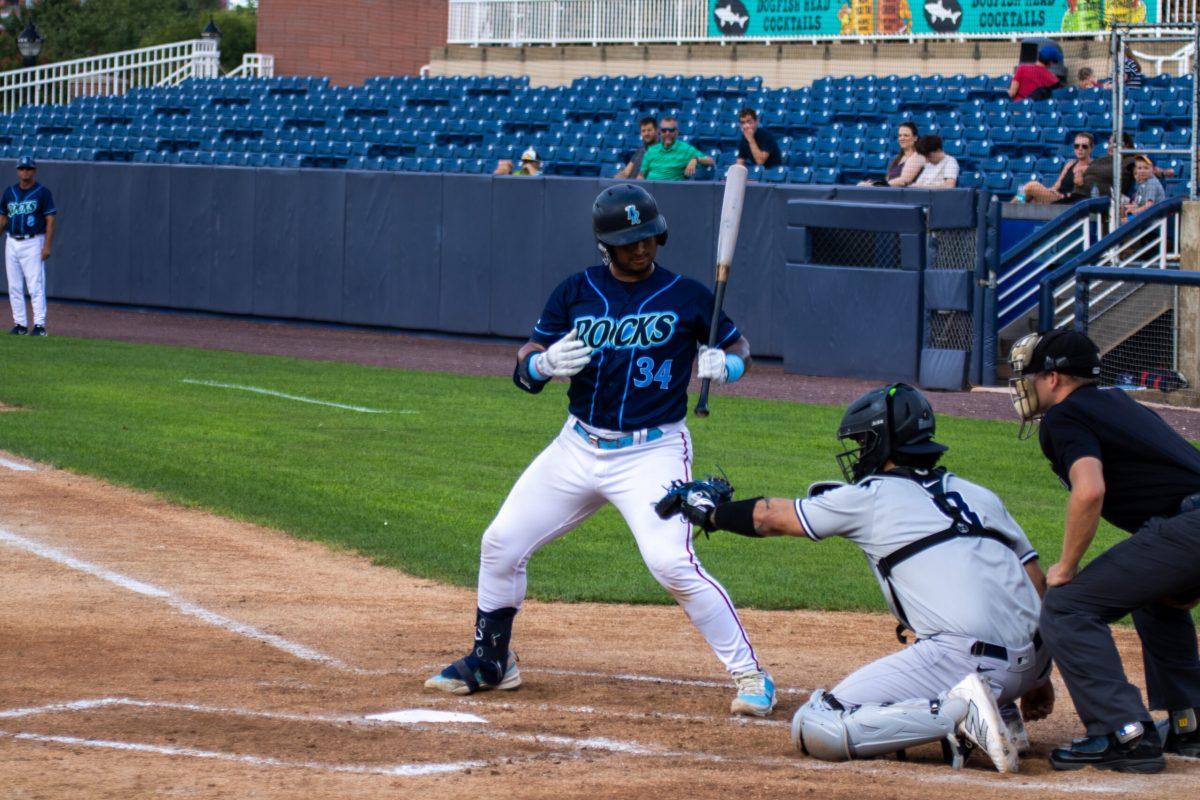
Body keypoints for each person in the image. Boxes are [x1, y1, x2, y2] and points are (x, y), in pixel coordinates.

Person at [424, 183, 775, 717]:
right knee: (500, 543)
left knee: (671, 563)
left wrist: (730, 365)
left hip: (652, 452)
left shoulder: (689, 294)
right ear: (605, 246)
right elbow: (529, 355)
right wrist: (539, 365)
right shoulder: (576, 291)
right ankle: (493, 661)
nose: (641, 249)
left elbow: (738, 345)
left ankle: (751, 674)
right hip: (577, 445)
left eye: (648, 238)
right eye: (629, 241)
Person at [655, 383, 1054, 773]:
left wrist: (711, 514)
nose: (860, 453)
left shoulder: (870, 497)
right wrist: (1038, 677)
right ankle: (1002, 711)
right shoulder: (978, 494)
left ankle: (963, 711)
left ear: (882, 443)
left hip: (964, 658)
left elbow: (768, 517)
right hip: (1035, 658)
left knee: (816, 724)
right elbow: (1036, 583)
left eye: (864, 443)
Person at [1007, 328, 1200, 773]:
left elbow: (1089, 490)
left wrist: (1066, 567)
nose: (1025, 384)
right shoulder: (1116, 402)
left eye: (1031, 374)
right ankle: (1191, 723)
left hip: (1190, 527)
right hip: (1190, 525)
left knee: (1067, 607)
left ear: (1054, 378)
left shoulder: (1064, 416)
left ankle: (1123, 733)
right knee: (1155, 599)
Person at [2, 155, 56, 337]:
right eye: (22, 168)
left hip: (33, 241)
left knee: (35, 285)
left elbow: (50, 220)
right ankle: (20, 324)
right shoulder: (9, 192)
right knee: (14, 286)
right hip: (11, 241)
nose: (25, 171)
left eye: (28, 168)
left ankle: (39, 325)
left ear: (34, 171)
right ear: (17, 171)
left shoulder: (42, 192)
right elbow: (3, 218)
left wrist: (47, 246)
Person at [1020, 132, 1094, 204]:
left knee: (1032, 186)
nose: (1080, 149)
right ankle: (1015, 208)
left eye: (1084, 146)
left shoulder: (1093, 166)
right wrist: (1052, 191)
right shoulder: (1070, 164)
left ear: (1091, 148)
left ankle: (1012, 208)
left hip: (1070, 202)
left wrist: (1080, 173)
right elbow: (1057, 185)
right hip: (1058, 197)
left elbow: (1083, 189)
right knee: (1029, 196)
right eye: (1076, 146)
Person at [638, 116, 714, 181]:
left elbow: (711, 161)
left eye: (671, 130)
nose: (667, 133)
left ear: (677, 132)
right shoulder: (651, 150)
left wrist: (696, 159)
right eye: (664, 130)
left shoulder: (686, 149)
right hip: (650, 192)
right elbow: (641, 175)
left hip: (672, 193)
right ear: (660, 132)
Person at [860, 122, 924, 187]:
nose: (902, 138)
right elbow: (888, 181)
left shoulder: (918, 157)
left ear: (915, 138)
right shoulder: (896, 159)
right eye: (900, 135)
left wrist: (875, 185)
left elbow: (904, 181)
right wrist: (871, 184)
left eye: (906, 135)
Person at [1122, 155, 1165, 222]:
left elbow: (1149, 206)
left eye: (1146, 168)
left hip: (1152, 221)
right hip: (1144, 218)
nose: (1142, 171)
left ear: (1153, 169)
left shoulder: (1151, 183)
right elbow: (1140, 204)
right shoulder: (1144, 183)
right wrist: (1129, 207)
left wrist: (1134, 211)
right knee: (1118, 217)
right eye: (1139, 168)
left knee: (1120, 223)